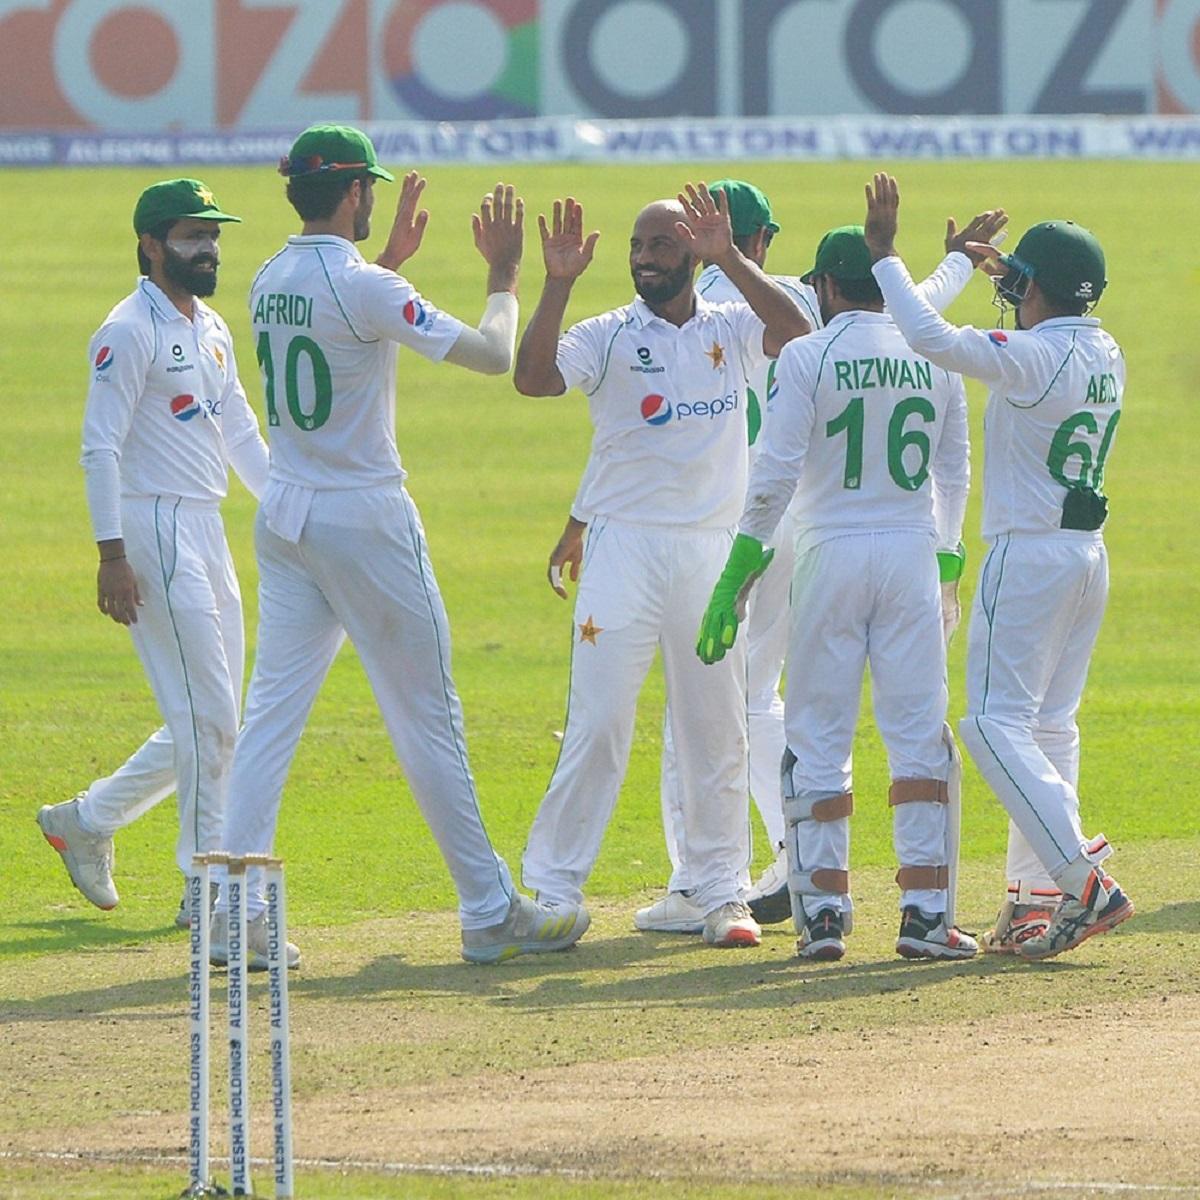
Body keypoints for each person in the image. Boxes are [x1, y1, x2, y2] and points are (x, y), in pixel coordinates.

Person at [212, 124, 588, 968]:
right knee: (428, 715)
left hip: (288, 512)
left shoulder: (269, 274)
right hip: (364, 517)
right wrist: (504, 276)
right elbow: (494, 355)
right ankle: (489, 908)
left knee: (270, 717)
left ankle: (228, 919)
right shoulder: (364, 284)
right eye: (368, 190)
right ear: (353, 194)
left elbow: (342, 317)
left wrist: (389, 260)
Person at [516, 185, 811, 949]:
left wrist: (734, 259)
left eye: (661, 246)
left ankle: (721, 896)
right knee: (601, 722)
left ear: (693, 250)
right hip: (624, 549)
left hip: (711, 551)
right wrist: (556, 284)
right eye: (638, 249)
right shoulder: (608, 334)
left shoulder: (733, 324)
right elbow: (534, 378)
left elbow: (797, 329)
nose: (646, 260)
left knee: (716, 729)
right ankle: (552, 889)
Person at [863, 172, 1133, 960]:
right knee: (1048, 727)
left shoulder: (1034, 355)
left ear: (1037, 288)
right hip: (1086, 556)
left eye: (1020, 283)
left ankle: (1080, 879)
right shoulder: (1102, 346)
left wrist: (887, 258)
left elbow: (934, 340)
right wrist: (1001, 271)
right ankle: (1036, 902)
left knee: (988, 723)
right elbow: (1039, 322)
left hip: (1030, 554)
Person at [697, 223, 980, 961]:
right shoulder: (933, 354)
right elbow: (955, 473)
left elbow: (775, 474)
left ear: (822, 287)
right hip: (912, 554)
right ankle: (925, 915)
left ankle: (821, 912)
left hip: (827, 553)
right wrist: (948, 564)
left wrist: (739, 571)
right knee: (920, 738)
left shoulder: (807, 355)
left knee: (817, 739)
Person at [38, 179, 269, 925]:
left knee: (210, 715)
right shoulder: (126, 330)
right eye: (192, 235)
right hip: (152, 529)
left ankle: (85, 821)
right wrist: (111, 555)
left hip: (205, 525)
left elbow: (239, 431)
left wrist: (291, 509)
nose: (208, 248)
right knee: (209, 719)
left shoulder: (212, 326)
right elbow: (98, 447)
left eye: (214, 235)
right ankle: (207, 890)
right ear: (150, 245)